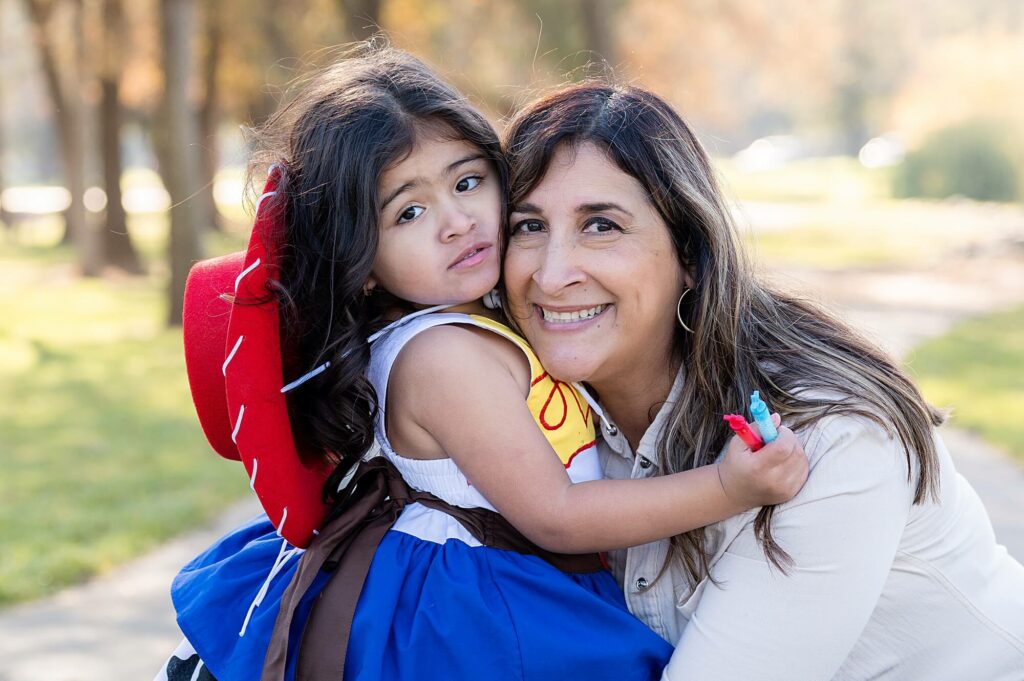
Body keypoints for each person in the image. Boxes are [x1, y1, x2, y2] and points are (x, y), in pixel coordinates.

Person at [156, 46, 809, 681]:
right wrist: (728, 488)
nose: (456, 221)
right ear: (358, 259)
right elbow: (556, 513)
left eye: (467, 181)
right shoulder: (445, 356)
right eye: (408, 211)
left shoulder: (478, 320)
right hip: (476, 622)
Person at [501, 81, 1024, 681]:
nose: (553, 272)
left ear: (691, 256)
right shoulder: (525, 424)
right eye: (528, 226)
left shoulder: (828, 437)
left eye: (602, 226)